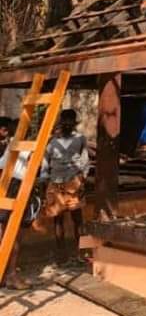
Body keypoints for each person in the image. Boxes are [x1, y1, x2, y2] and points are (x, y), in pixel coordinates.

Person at [41, 108, 90, 264]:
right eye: (65, 121)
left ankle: (79, 253)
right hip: (56, 183)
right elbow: (45, 161)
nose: (68, 124)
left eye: (70, 120)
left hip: (74, 182)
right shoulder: (52, 141)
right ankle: (61, 255)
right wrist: (44, 180)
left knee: (77, 219)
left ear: (74, 122)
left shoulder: (80, 139)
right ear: (61, 122)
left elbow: (85, 159)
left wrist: (83, 177)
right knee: (58, 220)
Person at [0, 116, 38, 289]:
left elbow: (1, 163)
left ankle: (4, 275)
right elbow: (41, 171)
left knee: (4, 233)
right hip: (20, 187)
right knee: (15, 234)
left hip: (5, 185)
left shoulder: (11, 146)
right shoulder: (31, 147)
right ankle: (11, 275)